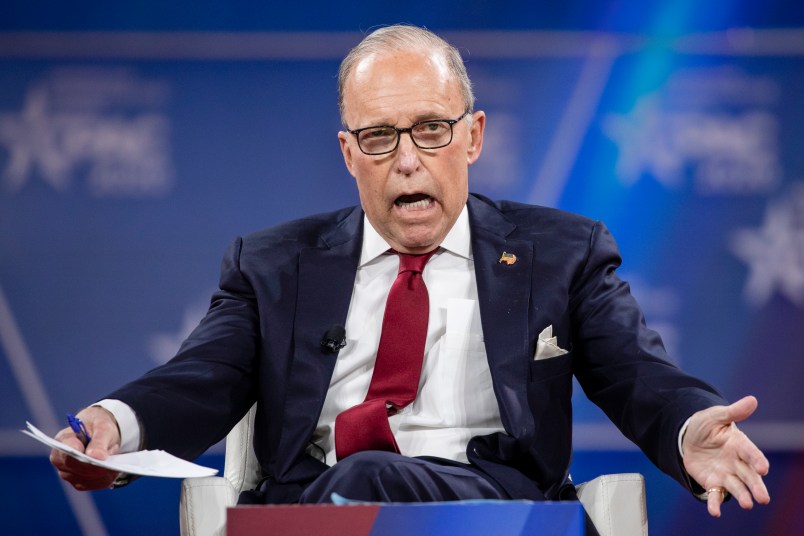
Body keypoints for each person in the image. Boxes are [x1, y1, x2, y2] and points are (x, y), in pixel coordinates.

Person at [51, 24, 769, 523]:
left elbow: (635, 371)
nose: (407, 159)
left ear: (473, 136)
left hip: (496, 509)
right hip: (315, 511)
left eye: (431, 129)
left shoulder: (561, 252)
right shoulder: (274, 265)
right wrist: (116, 424)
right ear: (347, 153)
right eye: (378, 137)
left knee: (370, 476)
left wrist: (689, 425)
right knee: (358, 479)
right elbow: (202, 375)